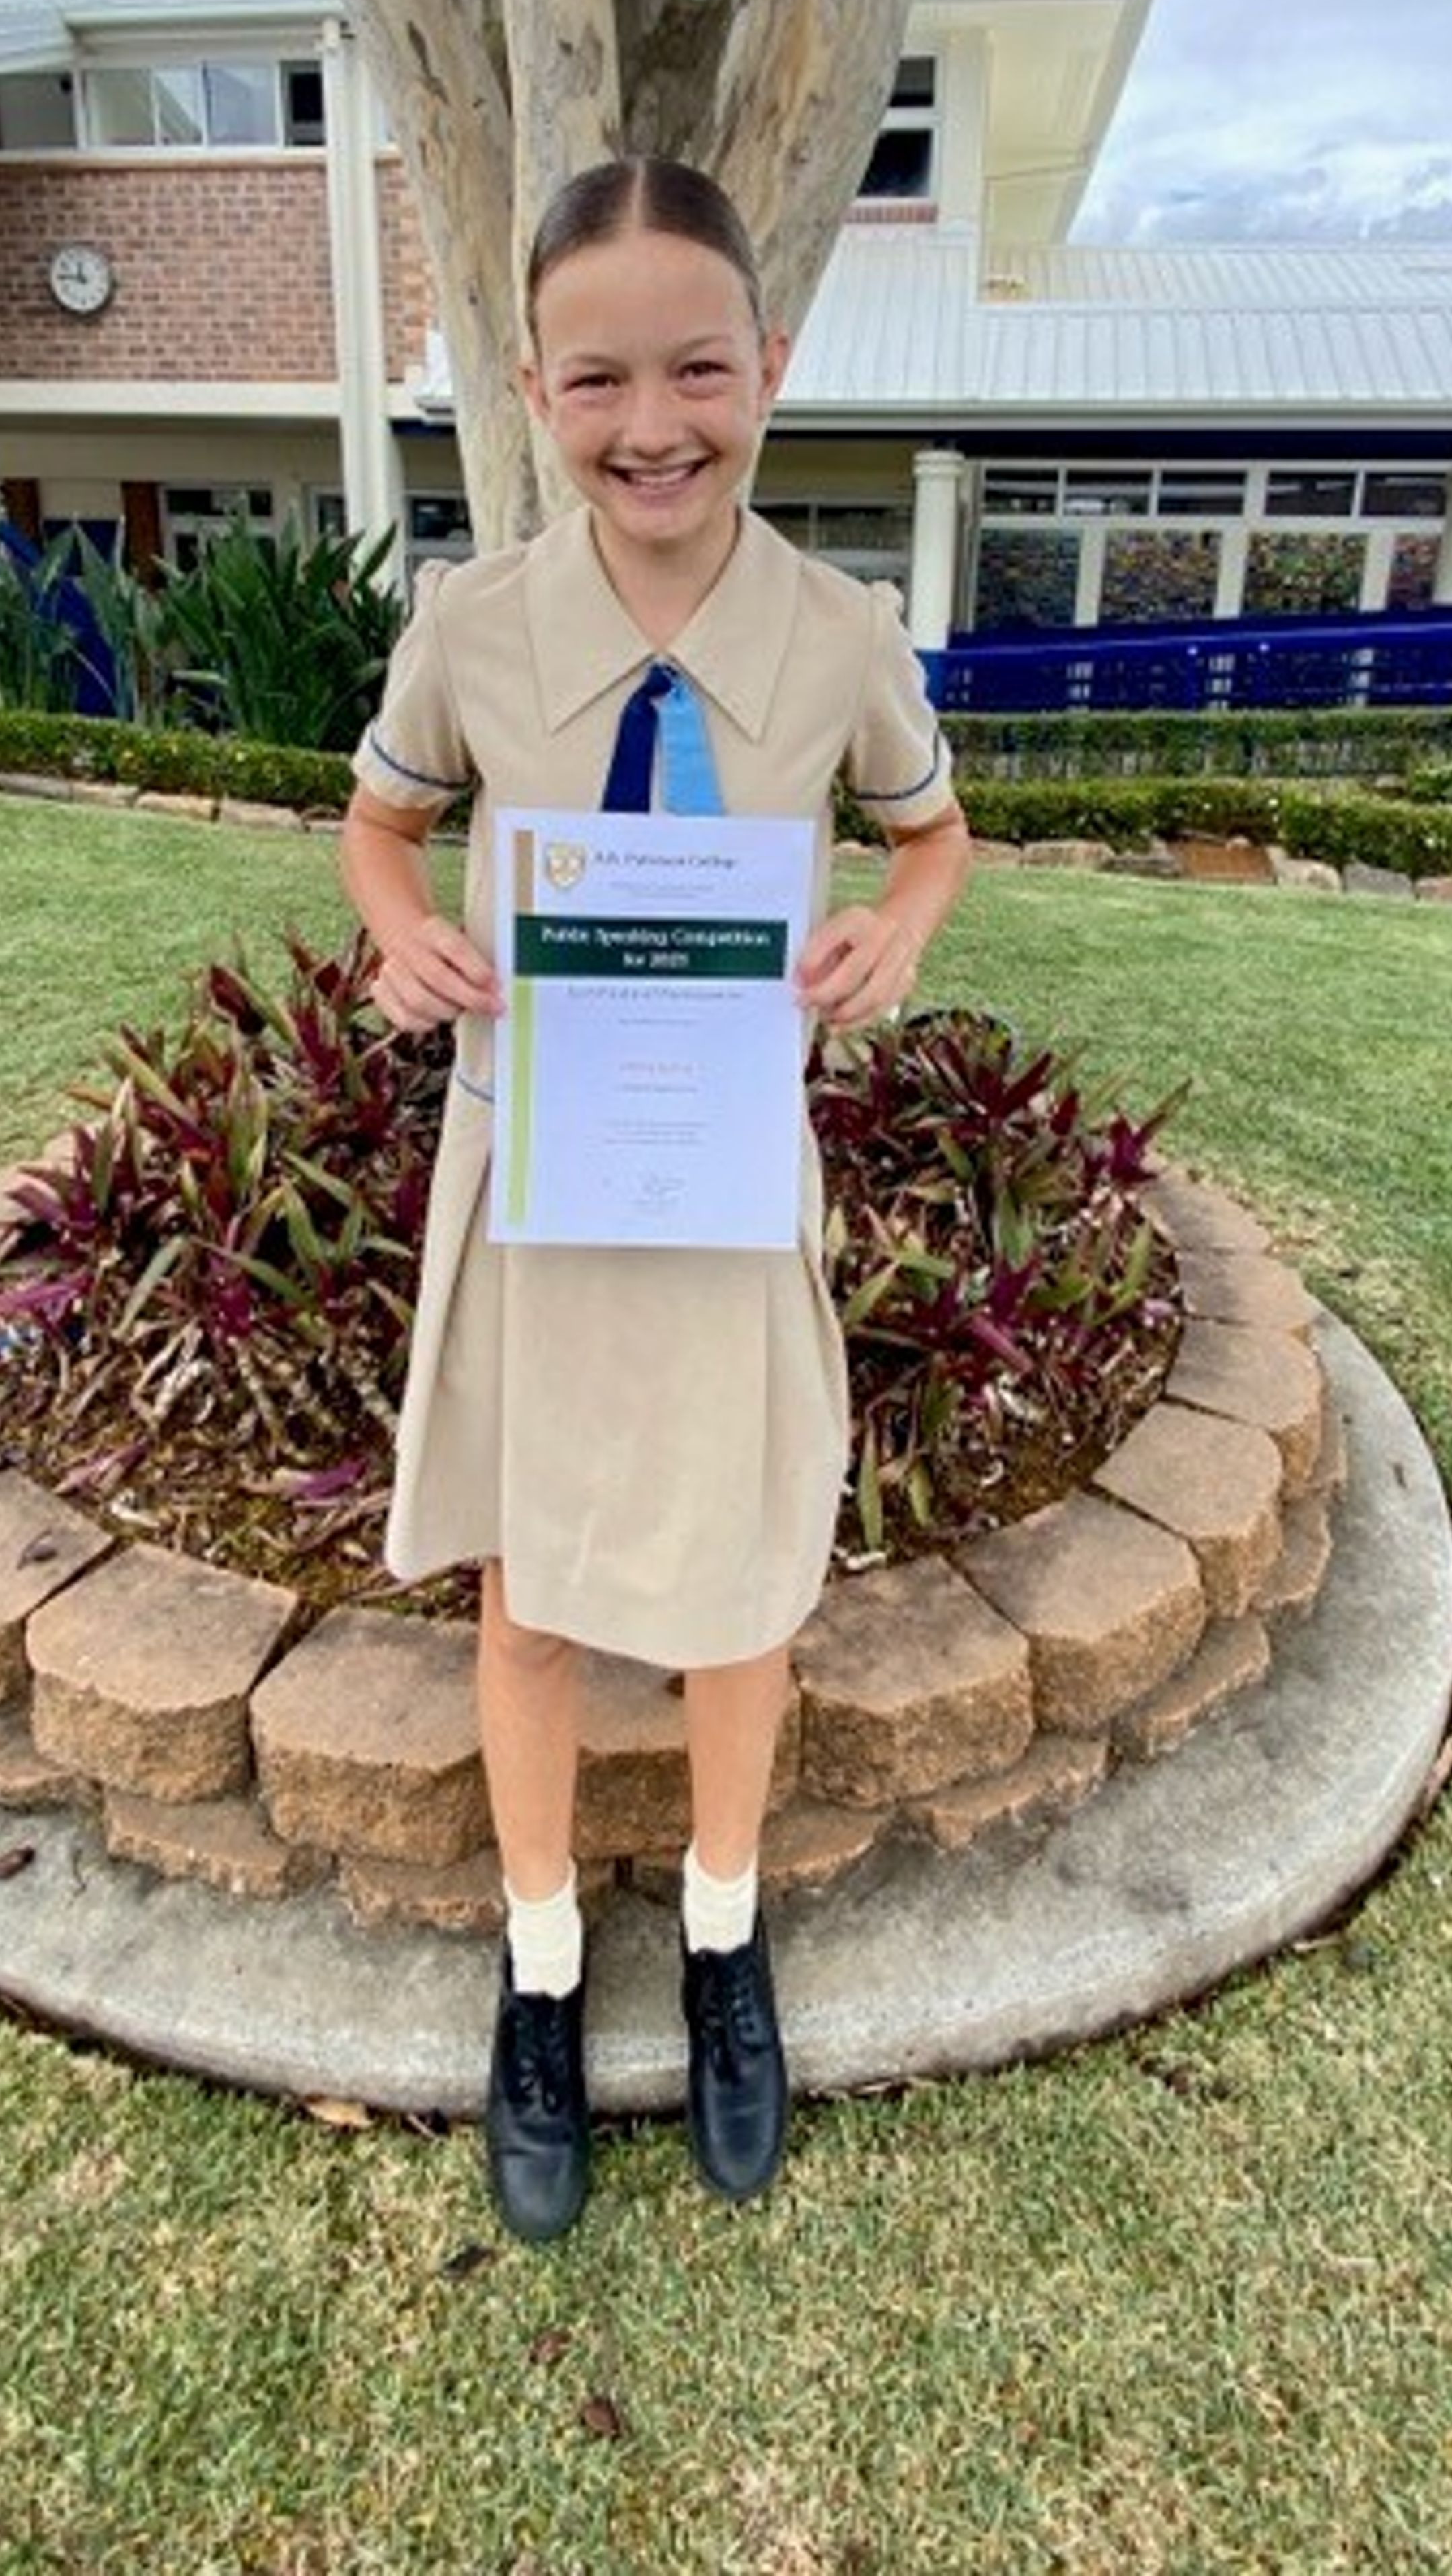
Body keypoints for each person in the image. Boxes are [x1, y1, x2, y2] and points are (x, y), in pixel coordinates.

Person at [340, 156, 972, 2242]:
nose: (652, 424)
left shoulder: (838, 635)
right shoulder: (474, 626)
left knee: (735, 1590)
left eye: (697, 369)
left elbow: (930, 833)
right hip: (534, 1178)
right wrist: (397, 932)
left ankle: (718, 1932)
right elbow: (378, 822)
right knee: (527, 1595)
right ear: (532, 389)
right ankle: (538, 1964)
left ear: (768, 365)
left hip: (720, 1183)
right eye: (596, 379)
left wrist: (895, 929)